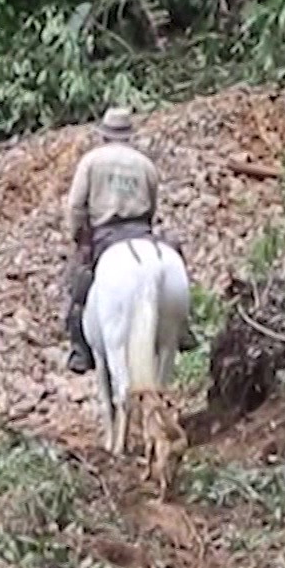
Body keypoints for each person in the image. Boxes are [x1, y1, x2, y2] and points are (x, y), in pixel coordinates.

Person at [62, 106, 196, 374]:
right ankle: (182, 328)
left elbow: (76, 206)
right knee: (173, 259)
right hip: (141, 231)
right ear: (129, 135)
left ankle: (80, 348)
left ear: (104, 135)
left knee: (78, 284)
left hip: (105, 232)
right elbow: (152, 205)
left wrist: (78, 235)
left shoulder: (91, 161)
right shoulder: (145, 164)